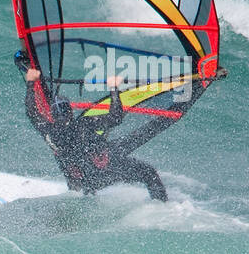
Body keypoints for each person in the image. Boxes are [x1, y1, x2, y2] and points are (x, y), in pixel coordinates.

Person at [21, 56, 168, 201]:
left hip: (84, 182)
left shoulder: (49, 132)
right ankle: (162, 207)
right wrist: (114, 88)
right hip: (106, 167)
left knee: (80, 174)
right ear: (71, 112)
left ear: (52, 116)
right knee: (149, 173)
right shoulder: (82, 125)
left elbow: (31, 112)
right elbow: (115, 117)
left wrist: (30, 83)